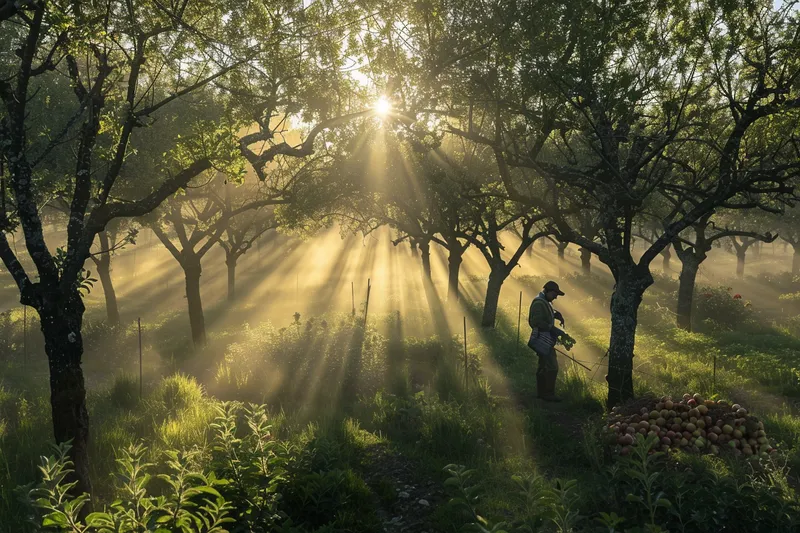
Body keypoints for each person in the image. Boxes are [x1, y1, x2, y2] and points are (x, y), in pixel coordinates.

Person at [528, 280, 566, 402]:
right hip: (543, 339)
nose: (555, 297)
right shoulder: (539, 302)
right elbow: (536, 322)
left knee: (543, 365)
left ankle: (541, 394)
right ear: (548, 291)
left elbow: (545, 313)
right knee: (552, 366)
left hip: (545, 339)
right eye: (555, 294)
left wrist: (555, 314)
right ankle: (548, 394)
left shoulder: (544, 301)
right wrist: (553, 329)